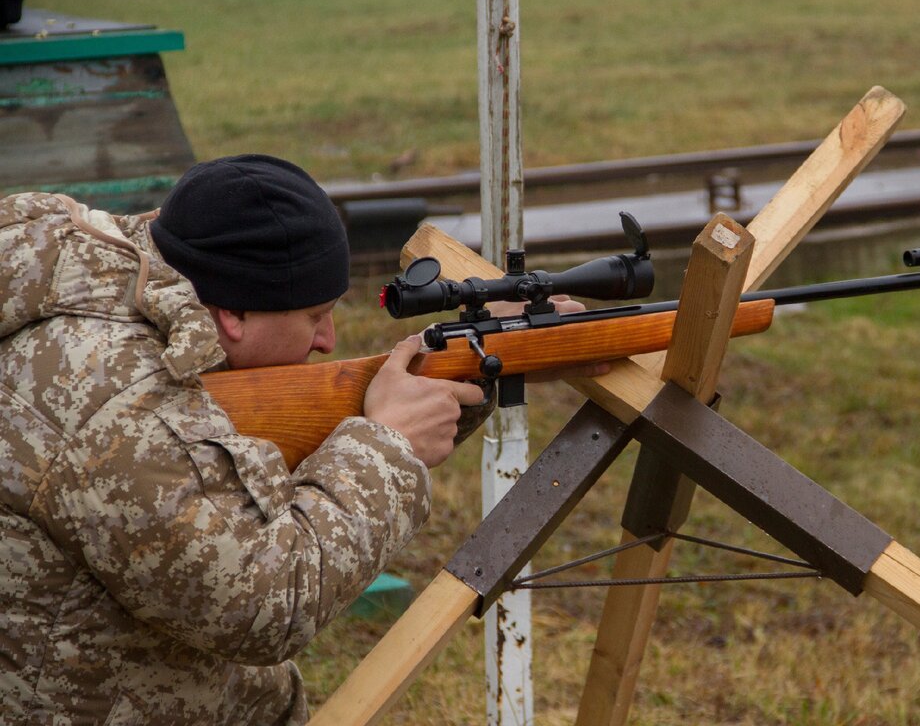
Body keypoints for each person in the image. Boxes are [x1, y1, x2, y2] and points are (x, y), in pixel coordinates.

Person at [0, 155, 581, 724]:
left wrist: (476, 359)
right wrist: (384, 448)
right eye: (314, 316)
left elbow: (231, 454)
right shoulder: (117, 407)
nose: (328, 339)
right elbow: (259, 607)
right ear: (233, 315)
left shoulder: (130, 278)